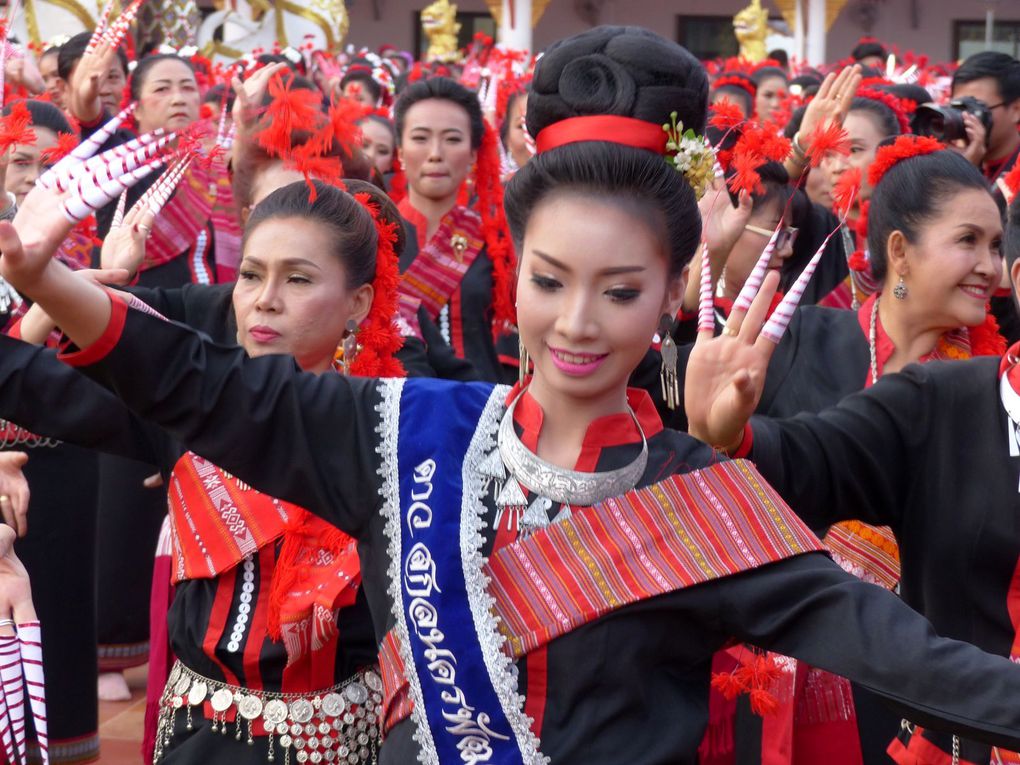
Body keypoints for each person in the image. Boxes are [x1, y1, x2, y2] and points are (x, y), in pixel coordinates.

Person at [12, 25, 1020, 765]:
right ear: (517, 272)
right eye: (549, 281)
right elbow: (200, 386)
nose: (578, 323)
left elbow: (914, 657)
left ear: (672, 291)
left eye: (620, 291)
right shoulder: (404, 435)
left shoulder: (706, 503)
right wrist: (43, 279)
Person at [394, 76, 516, 382]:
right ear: (399, 152)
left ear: (473, 154)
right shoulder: (372, 236)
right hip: (398, 409)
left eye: (452, 139)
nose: (436, 153)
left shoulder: (497, 238)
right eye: (420, 138)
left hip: (482, 407)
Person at [951, 51, 1020, 207]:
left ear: (1016, 109)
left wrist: (966, 174)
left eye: (977, 108)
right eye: (958, 107)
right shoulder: (947, 160)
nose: (965, 117)